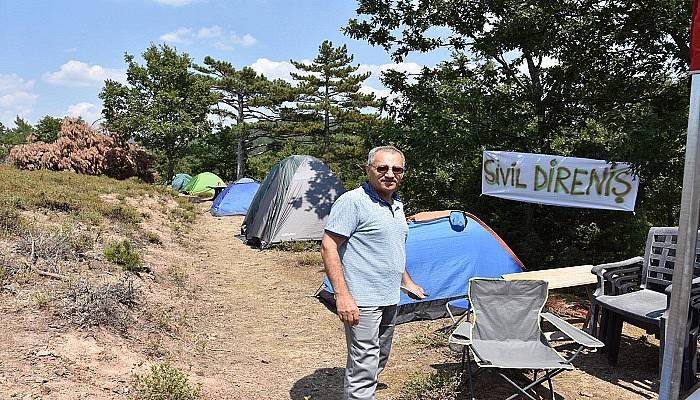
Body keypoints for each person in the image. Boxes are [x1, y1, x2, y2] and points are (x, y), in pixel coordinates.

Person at [321, 145, 425, 400]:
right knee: (364, 360)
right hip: (362, 299)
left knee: (380, 354)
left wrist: (407, 281)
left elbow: (393, 247)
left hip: (389, 296)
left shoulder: (396, 204)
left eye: (396, 169)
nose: (390, 174)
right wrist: (342, 296)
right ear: (368, 170)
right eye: (382, 168)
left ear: (403, 173)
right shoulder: (353, 202)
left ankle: (362, 391)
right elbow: (329, 246)